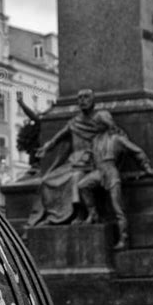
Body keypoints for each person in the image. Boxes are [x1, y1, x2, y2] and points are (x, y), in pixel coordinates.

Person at [78, 110, 153, 250]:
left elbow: (137, 151)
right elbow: (91, 155)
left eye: (97, 123)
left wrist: (147, 167)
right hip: (98, 171)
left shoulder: (117, 139)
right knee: (83, 185)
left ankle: (123, 238)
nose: (94, 125)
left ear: (104, 123)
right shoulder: (95, 140)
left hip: (111, 171)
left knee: (117, 207)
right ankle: (93, 213)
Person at [28, 89, 99, 227]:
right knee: (47, 180)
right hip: (73, 162)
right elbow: (57, 138)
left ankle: (80, 214)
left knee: (76, 178)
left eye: (86, 97)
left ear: (93, 100)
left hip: (90, 162)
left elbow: (109, 137)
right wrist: (46, 148)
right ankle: (54, 216)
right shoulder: (74, 122)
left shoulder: (99, 120)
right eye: (79, 98)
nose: (82, 101)